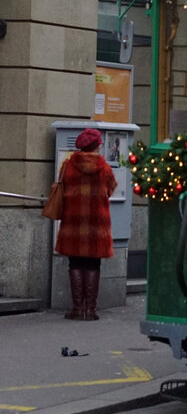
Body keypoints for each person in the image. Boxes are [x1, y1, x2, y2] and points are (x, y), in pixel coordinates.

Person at [53, 128, 117, 321]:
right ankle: (90, 310)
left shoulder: (68, 165)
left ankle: (77, 308)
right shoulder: (104, 167)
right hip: (96, 222)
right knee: (93, 263)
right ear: (96, 145)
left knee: (75, 262)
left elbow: (61, 185)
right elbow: (111, 189)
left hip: (74, 220)